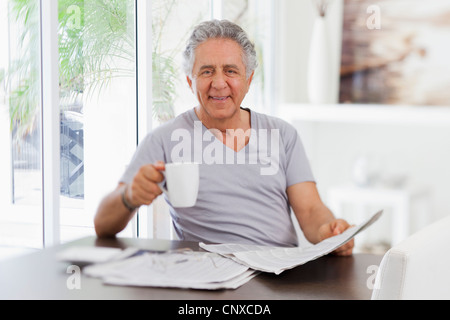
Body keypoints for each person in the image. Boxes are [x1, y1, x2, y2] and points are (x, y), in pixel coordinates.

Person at [94, 20, 354, 256]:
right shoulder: (164, 139)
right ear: (189, 81)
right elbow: (102, 224)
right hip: (205, 278)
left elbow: (310, 211)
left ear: (248, 79)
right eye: (207, 72)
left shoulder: (282, 134)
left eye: (230, 71)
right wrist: (129, 196)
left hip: (278, 276)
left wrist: (328, 231)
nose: (219, 83)